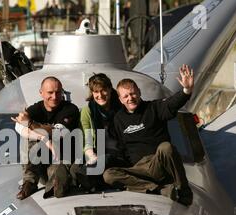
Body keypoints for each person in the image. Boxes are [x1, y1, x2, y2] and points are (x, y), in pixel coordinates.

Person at [103, 64, 194, 206]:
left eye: (133, 94)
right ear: (120, 99)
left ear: (139, 92)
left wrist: (186, 90)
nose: (130, 98)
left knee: (166, 147)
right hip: (138, 168)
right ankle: (160, 189)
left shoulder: (154, 108)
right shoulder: (118, 119)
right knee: (109, 175)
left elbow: (172, 104)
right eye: (125, 96)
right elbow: (121, 147)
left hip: (158, 162)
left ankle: (184, 191)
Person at [12, 76, 80, 200]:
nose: (54, 97)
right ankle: (30, 183)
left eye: (58, 92)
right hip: (39, 165)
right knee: (30, 140)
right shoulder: (35, 109)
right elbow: (19, 128)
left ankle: (59, 184)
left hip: (60, 160)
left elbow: (58, 133)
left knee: (58, 180)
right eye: (50, 92)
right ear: (41, 93)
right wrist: (45, 139)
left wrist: (31, 124)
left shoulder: (70, 109)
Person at [70, 73, 124, 191]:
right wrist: (92, 156)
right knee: (75, 169)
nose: (100, 95)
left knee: (105, 164)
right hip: (96, 154)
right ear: (92, 93)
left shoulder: (121, 108)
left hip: (117, 154)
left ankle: (91, 181)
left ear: (110, 89)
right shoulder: (88, 111)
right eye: (96, 92)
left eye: (103, 90)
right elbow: (87, 139)